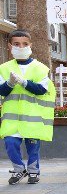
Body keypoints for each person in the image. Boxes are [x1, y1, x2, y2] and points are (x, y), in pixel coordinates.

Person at [0, 30, 55, 184]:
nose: (21, 47)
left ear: (31, 45)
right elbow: (1, 91)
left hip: (32, 117)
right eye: (16, 44)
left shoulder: (40, 68)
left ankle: (33, 171)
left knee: (33, 147)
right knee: (10, 144)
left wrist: (24, 82)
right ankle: (19, 170)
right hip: (12, 120)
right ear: (10, 46)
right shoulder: (3, 68)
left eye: (25, 44)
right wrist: (10, 83)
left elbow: (42, 90)